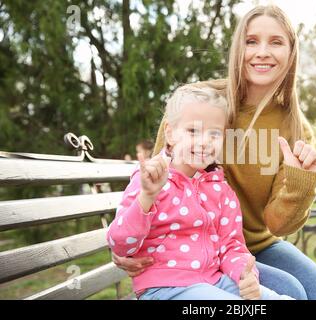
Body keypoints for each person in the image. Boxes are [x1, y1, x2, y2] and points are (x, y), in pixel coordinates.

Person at [112, 5, 316, 300]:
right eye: (252, 41)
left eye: (276, 42)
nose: (262, 51)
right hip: (187, 250)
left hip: (254, 245)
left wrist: (303, 181)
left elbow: (278, 225)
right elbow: (159, 181)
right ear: (239, 47)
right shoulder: (199, 103)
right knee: (292, 291)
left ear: (291, 52)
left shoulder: (297, 128)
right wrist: (133, 242)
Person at [107, 85, 292, 300]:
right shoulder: (151, 180)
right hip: (166, 288)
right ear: (170, 133)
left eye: (214, 134)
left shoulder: (220, 189)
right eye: (193, 131)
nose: (204, 142)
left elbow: (231, 245)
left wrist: (244, 273)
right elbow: (119, 242)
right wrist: (146, 198)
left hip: (213, 281)